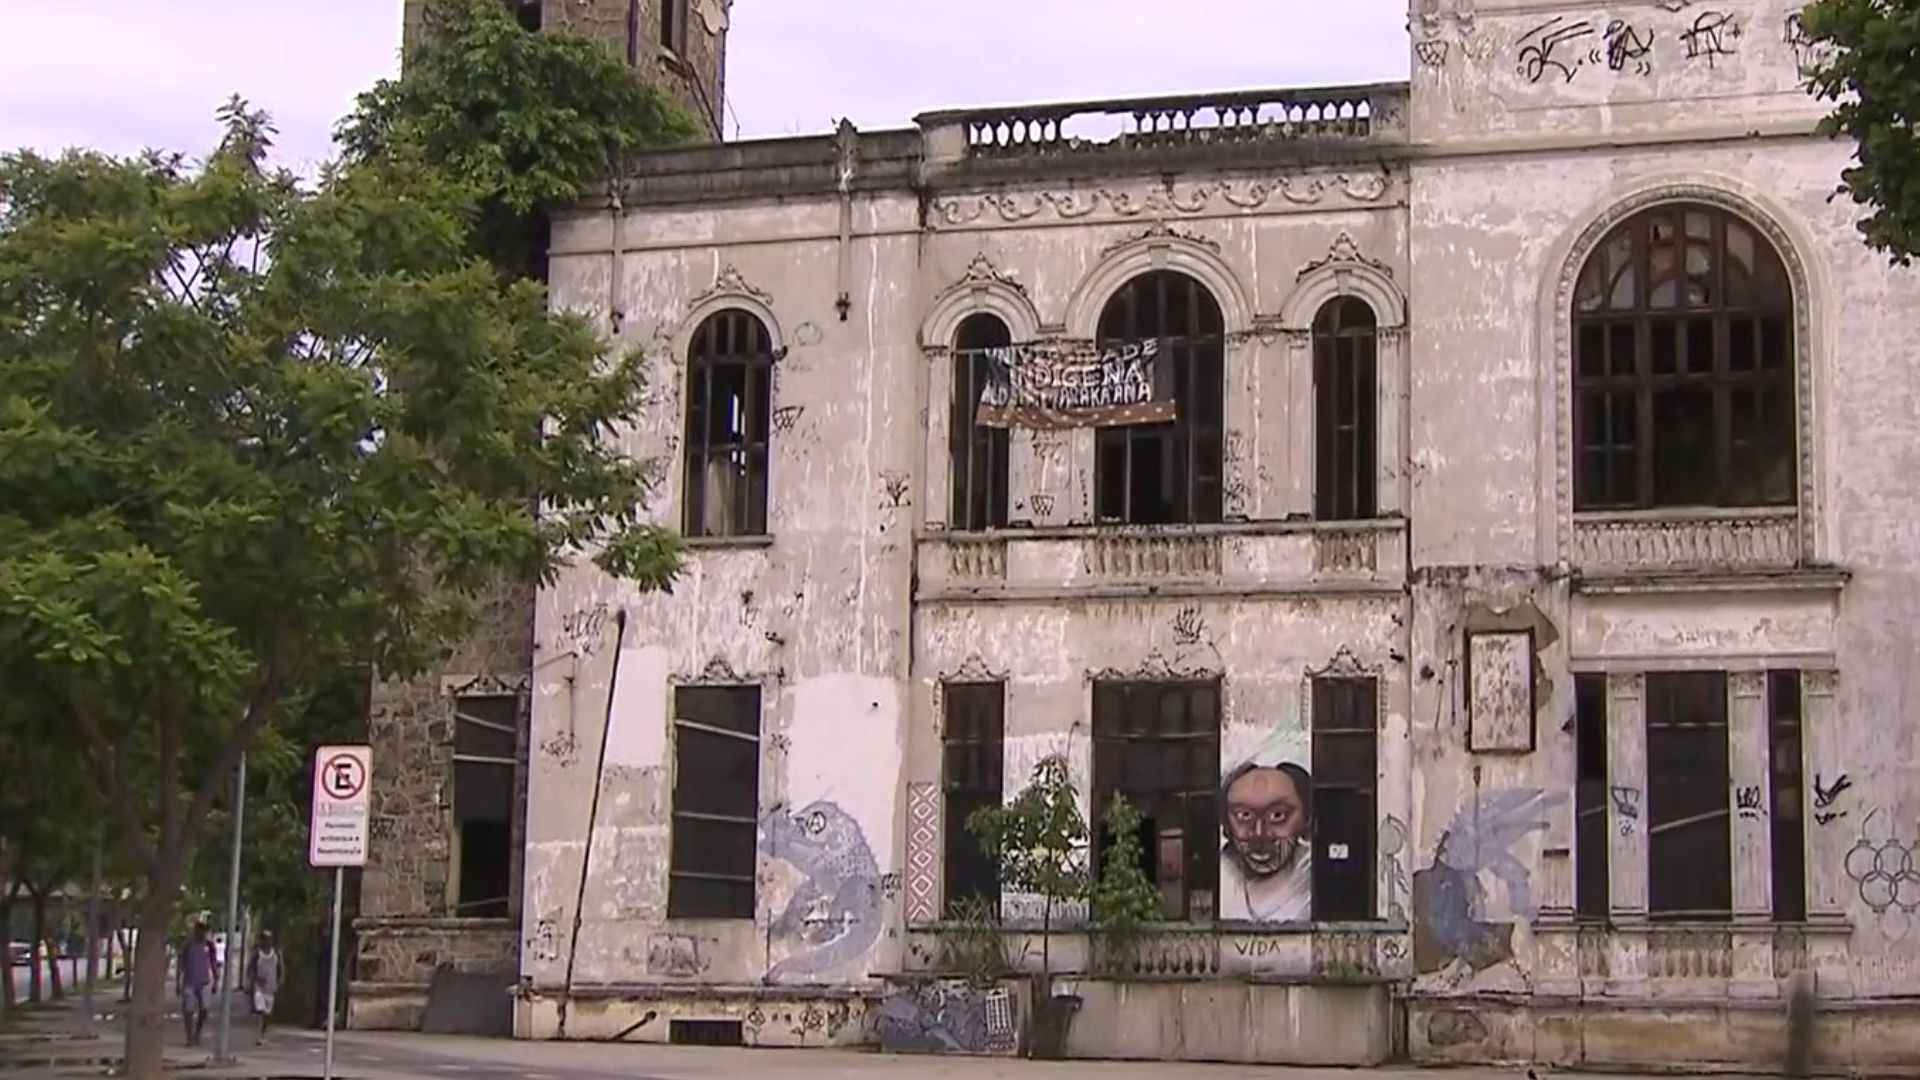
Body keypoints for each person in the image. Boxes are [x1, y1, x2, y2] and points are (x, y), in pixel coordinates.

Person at [1218, 758, 1314, 922]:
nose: (1259, 833)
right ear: (1226, 824)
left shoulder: (1315, 877)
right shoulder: (1221, 874)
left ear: (1307, 819)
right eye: (1244, 815)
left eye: (1277, 815)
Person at [175, 921, 218, 1047]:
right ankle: (189, 1037)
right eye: (200, 930)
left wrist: (215, 980)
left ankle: (198, 1032)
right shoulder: (188, 945)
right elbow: (181, 964)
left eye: (205, 931)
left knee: (204, 1009)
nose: (203, 933)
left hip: (205, 982)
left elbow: (213, 963)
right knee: (188, 1010)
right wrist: (178, 982)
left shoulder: (209, 945)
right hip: (189, 982)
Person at [246, 931, 282, 1044]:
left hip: (270, 988)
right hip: (259, 988)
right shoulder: (257, 954)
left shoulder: (276, 953)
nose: (267, 942)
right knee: (260, 1010)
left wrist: (279, 983)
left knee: (268, 1013)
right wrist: (254, 980)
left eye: (269, 939)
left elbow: (281, 968)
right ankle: (259, 1034)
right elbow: (250, 969)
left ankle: (264, 1032)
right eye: (264, 939)